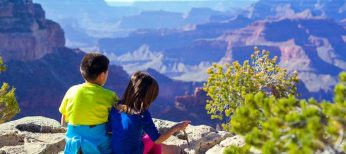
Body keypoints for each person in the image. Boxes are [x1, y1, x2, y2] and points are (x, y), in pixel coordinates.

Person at [108, 71, 190, 154]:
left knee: (146, 140)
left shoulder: (116, 107)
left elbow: (110, 130)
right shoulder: (141, 114)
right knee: (152, 139)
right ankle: (177, 151)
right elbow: (157, 139)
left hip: (115, 151)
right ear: (148, 96)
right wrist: (176, 127)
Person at [59, 53, 118, 154]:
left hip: (73, 145)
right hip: (98, 145)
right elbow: (117, 120)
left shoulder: (72, 90)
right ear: (102, 75)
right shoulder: (110, 96)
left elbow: (64, 117)